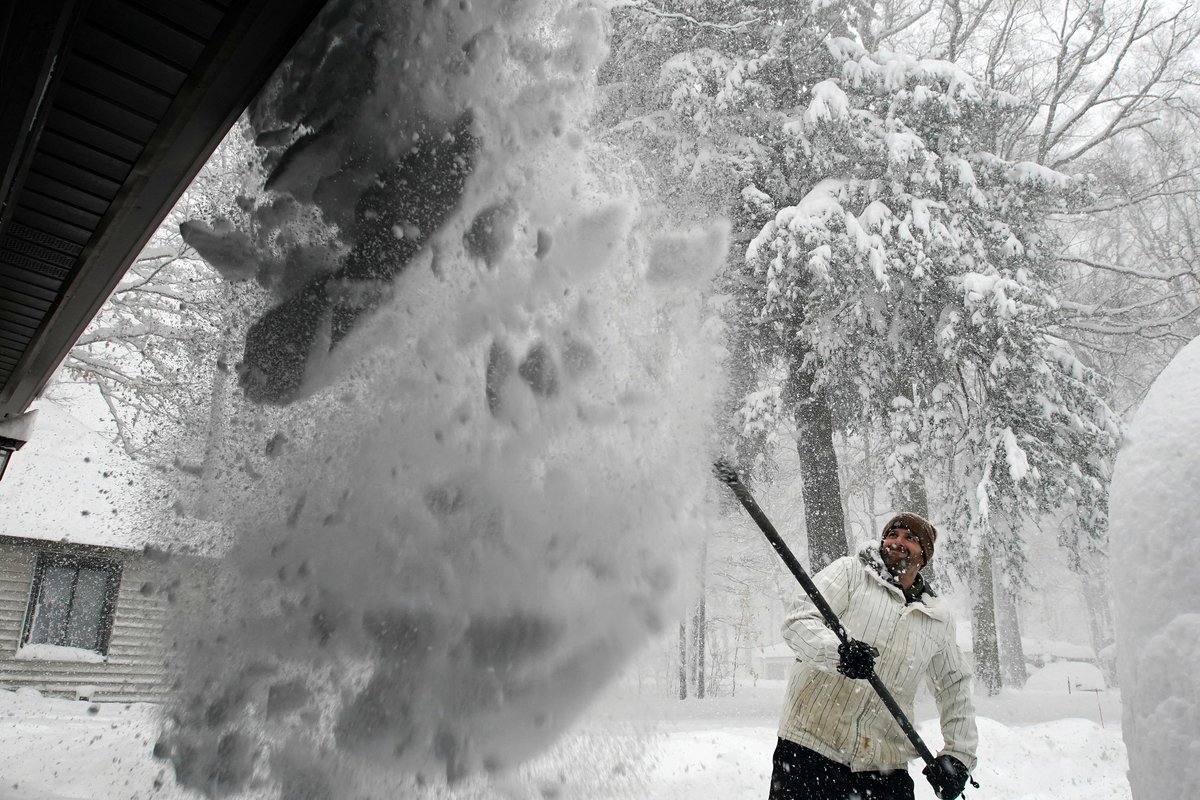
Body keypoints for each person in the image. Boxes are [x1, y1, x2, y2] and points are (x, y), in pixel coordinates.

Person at [770, 512, 978, 800]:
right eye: (893, 534)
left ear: (924, 555)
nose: (898, 541)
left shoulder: (937, 618)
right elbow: (799, 619)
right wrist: (838, 653)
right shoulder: (850, 573)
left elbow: (954, 685)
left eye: (909, 538)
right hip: (811, 749)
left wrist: (959, 756)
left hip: (885, 767)